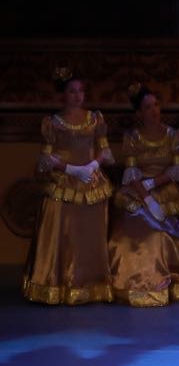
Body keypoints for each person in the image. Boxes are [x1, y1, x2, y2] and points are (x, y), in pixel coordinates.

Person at [22, 68, 114, 305]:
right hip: (64, 181)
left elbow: (105, 150)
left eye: (81, 90)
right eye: (72, 91)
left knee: (89, 236)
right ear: (63, 94)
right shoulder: (53, 123)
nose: (78, 95)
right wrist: (72, 169)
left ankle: (92, 286)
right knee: (63, 233)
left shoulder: (95, 119)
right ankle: (57, 285)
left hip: (91, 181)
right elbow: (46, 158)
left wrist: (93, 165)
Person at [108, 84, 179, 307]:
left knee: (161, 236)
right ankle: (132, 286)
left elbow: (176, 170)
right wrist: (146, 198)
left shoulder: (173, 135)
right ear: (139, 113)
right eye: (148, 107)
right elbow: (131, 173)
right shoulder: (132, 138)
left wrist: (153, 184)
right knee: (130, 237)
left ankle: (167, 282)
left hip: (164, 191)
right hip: (137, 193)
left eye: (156, 105)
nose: (154, 110)